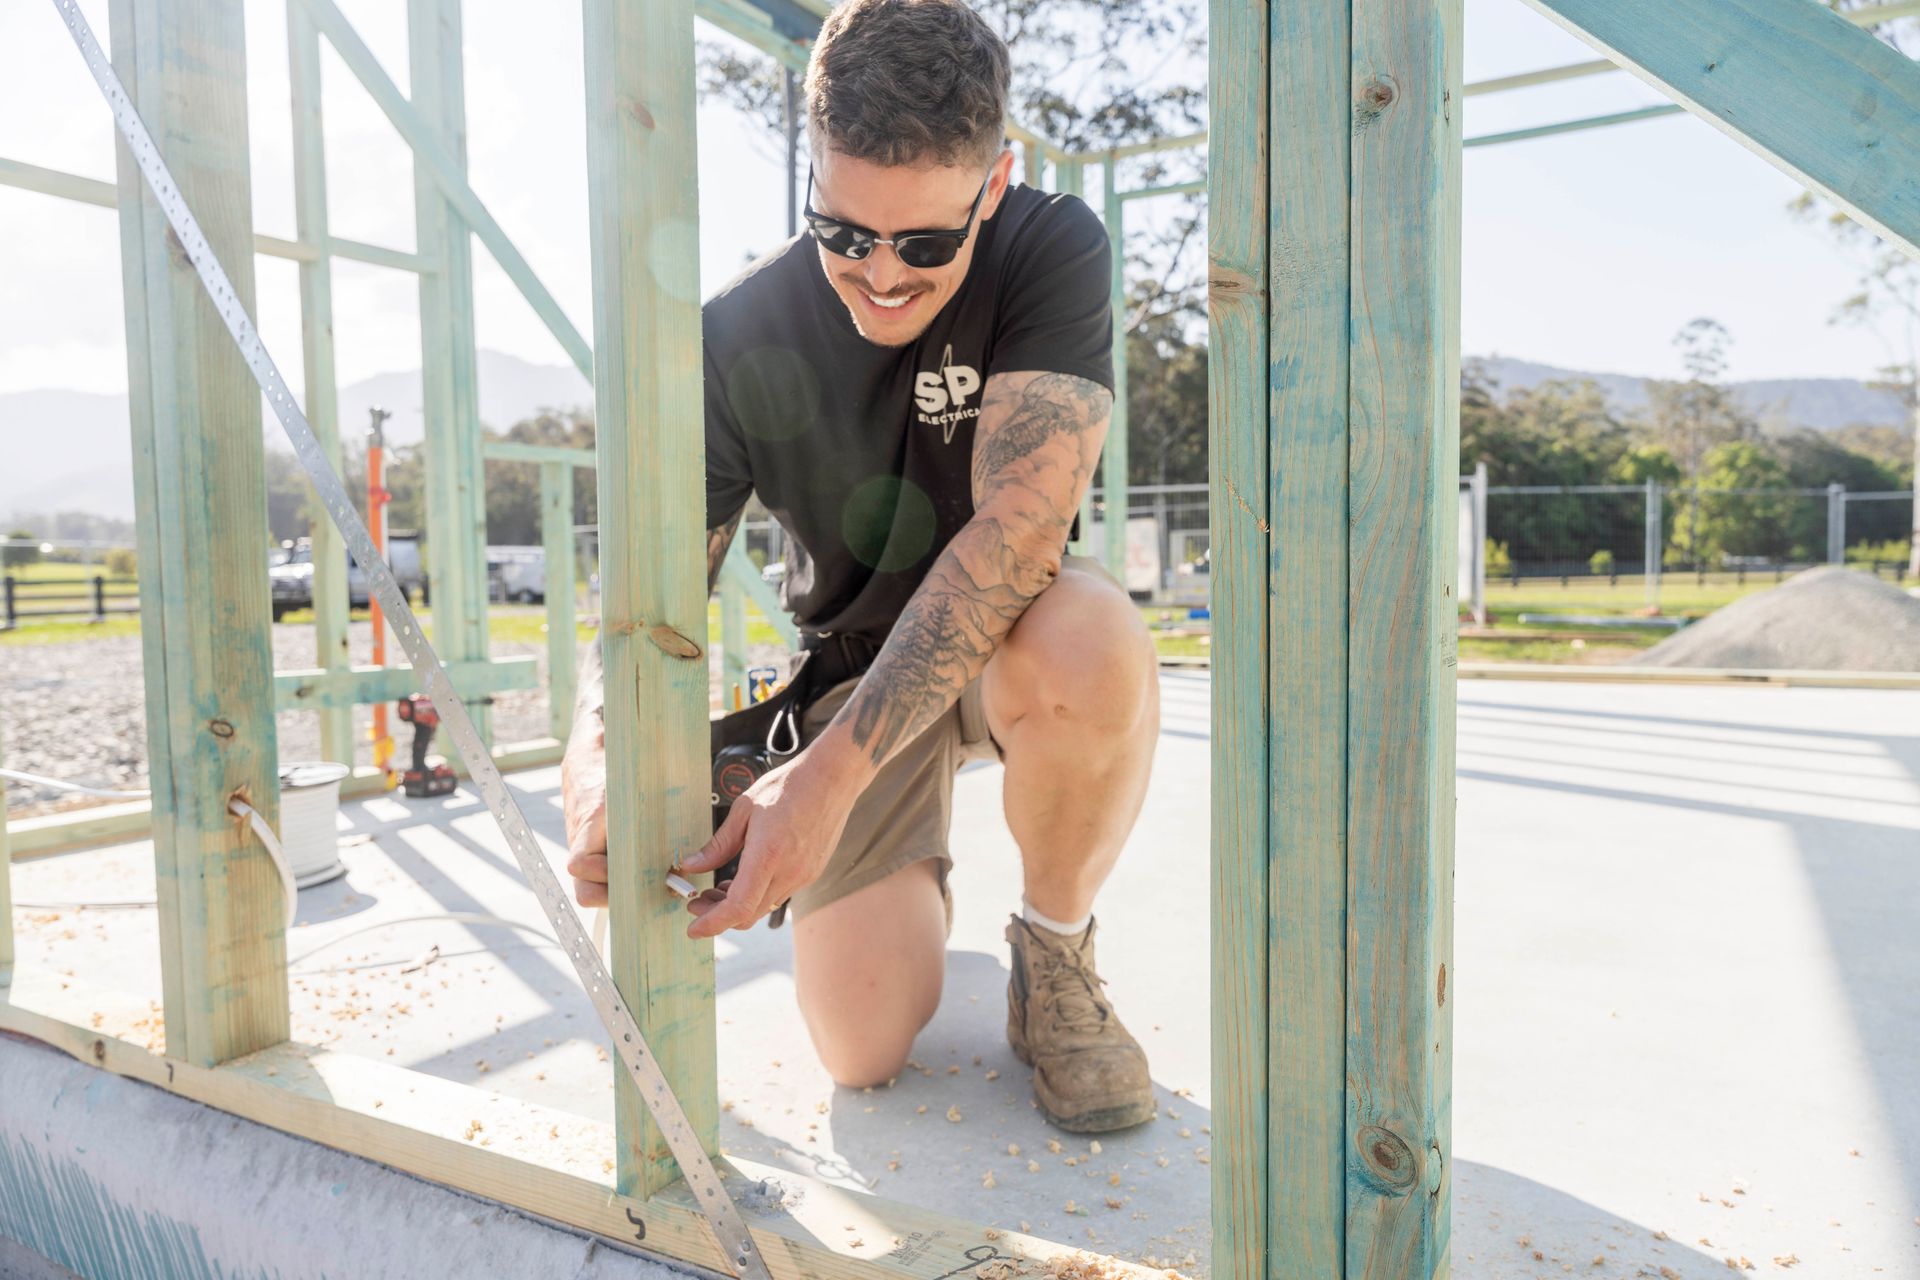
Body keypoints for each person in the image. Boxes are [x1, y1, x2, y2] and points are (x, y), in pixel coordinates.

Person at [562, 0, 1160, 1134]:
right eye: (844, 233)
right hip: (847, 664)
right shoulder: (732, 335)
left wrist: (825, 783)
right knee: (864, 1044)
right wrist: (595, 750)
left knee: (1093, 635)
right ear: (811, 172)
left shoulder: (1051, 245)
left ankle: (1057, 946)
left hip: (1008, 641)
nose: (882, 276)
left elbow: (1021, 534)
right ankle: (908, 872)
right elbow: (646, 606)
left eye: (926, 244)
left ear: (996, 181)